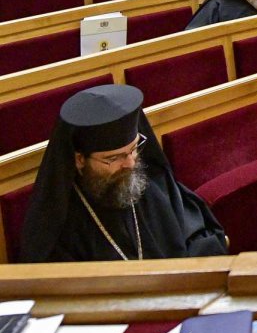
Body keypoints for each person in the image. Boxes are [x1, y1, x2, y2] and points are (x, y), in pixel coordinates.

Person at [20, 84, 227, 263]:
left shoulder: (151, 185)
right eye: (114, 158)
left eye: (134, 149)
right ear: (80, 159)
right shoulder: (60, 224)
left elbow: (201, 237)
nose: (130, 163)